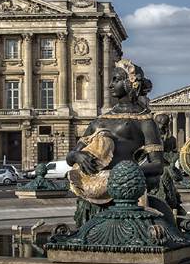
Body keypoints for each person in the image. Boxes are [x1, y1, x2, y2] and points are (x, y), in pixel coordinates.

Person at [66, 59, 166, 225]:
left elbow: (157, 164)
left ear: (129, 83)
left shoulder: (145, 120)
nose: (110, 85)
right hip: (93, 189)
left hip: (126, 193)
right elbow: (69, 158)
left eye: (116, 80)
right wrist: (77, 156)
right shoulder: (100, 120)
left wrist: (120, 175)